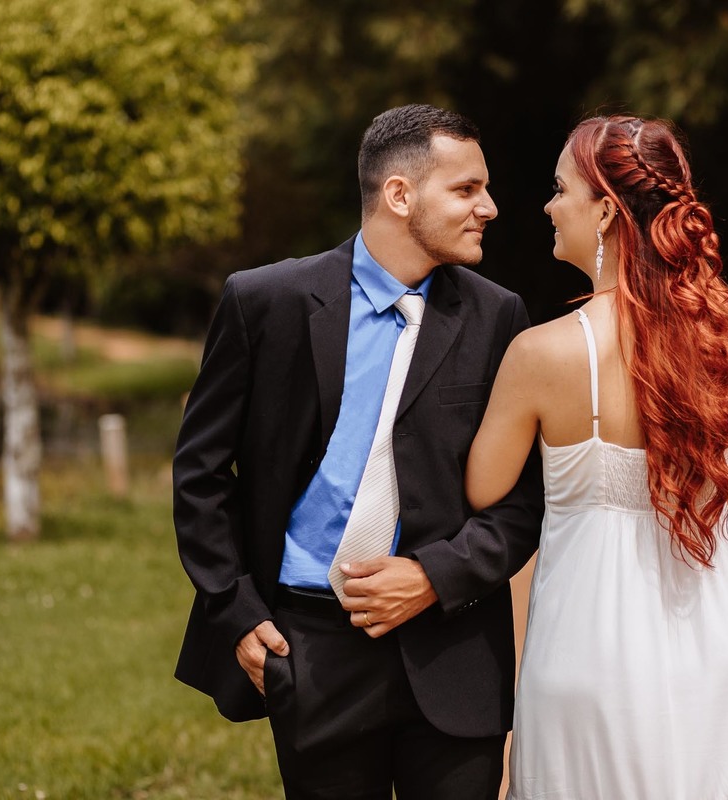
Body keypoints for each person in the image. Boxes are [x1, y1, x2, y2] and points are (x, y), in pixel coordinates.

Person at [172, 104, 544, 800]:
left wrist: (435, 575)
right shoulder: (265, 303)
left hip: (454, 650)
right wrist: (237, 611)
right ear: (399, 195)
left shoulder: (500, 318)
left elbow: (525, 500)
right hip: (310, 650)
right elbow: (199, 474)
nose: (489, 207)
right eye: (466, 189)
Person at [465, 115, 728, 799]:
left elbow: (484, 487)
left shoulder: (543, 353)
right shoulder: (724, 337)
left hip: (594, 649)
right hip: (722, 636)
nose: (548, 206)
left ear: (606, 210)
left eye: (559, 189)